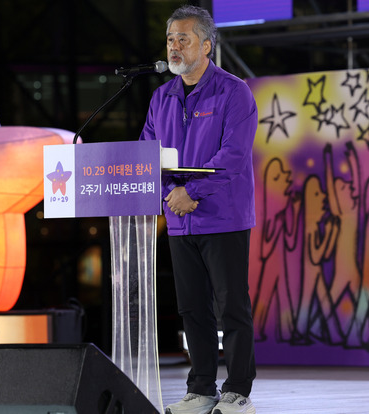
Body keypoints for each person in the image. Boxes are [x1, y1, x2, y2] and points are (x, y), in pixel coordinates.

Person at [139, 5, 257, 414]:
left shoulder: (233, 91)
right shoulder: (162, 97)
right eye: (170, 39)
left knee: (231, 306)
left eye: (183, 39)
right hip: (178, 219)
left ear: (206, 45)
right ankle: (201, 389)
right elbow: (147, 154)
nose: (173, 47)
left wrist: (193, 192)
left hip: (222, 216)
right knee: (192, 308)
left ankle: (238, 391)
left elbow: (234, 155)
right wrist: (170, 193)